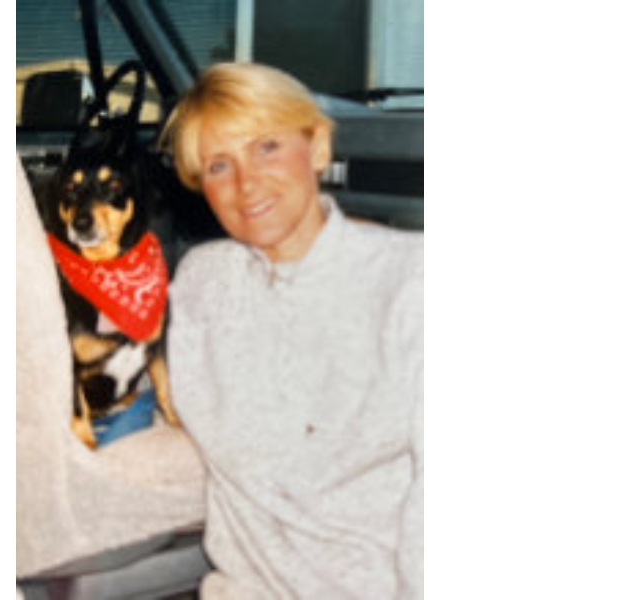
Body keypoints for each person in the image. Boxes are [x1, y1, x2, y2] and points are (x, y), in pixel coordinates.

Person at [161, 63, 424, 599]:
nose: (245, 182)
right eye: (217, 165)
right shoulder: (202, 283)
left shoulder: (406, 285)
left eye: (266, 148)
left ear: (319, 148)